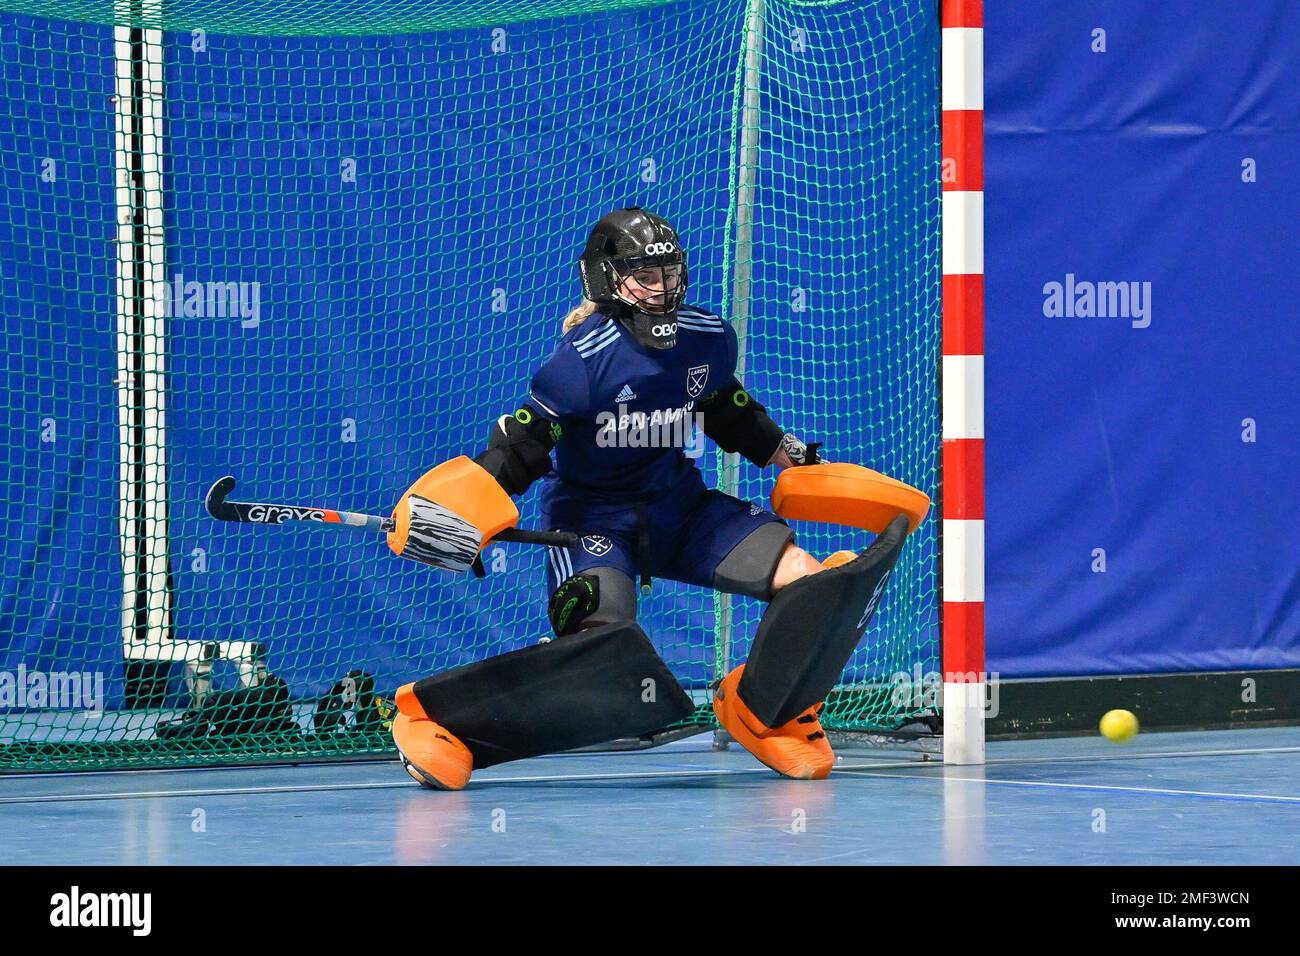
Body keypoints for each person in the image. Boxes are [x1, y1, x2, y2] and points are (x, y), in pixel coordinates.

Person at [390, 207, 906, 790]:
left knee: (811, 583)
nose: (662, 287)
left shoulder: (708, 338)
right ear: (607, 280)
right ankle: (435, 719)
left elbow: (725, 407)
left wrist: (793, 454)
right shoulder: (582, 362)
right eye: (644, 274)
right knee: (605, 649)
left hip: (681, 512)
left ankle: (764, 711)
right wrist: (463, 505)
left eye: (669, 272)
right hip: (591, 522)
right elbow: (524, 444)